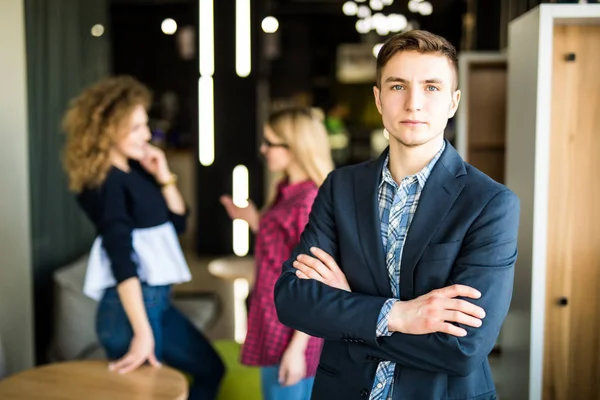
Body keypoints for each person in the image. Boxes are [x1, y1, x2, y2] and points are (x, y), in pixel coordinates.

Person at [274, 30, 520, 400]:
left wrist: (350, 314)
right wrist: (400, 315)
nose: (414, 103)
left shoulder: (490, 203)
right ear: (378, 98)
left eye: (432, 87)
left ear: (454, 102)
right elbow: (293, 299)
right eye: (398, 86)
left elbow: (462, 348)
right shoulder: (340, 187)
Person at [62, 76, 225, 399]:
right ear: (109, 127)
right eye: (137, 127)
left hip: (158, 302)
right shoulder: (106, 185)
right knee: (155, 393)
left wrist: (164, 176)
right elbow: (122, 261)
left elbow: (178, 222)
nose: (147, 135)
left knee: (210, 369)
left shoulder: (134, 171)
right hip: (132, 310)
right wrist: (142, 331)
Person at [220, 107, 334, 400]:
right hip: (274, 318)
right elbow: (287, 249)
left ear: (294, 148)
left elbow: (315, 281)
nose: (263, 149)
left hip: (293, 329)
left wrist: (297, 349)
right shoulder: (285, 188)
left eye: (270, 142)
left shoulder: (307, 200)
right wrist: (255, 221)